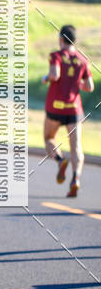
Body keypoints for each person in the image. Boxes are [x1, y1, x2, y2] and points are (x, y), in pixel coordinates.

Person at [43, 24, 94, 197]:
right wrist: (76, 84)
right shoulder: (82, 60)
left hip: (55, 107)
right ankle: (76, 178)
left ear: (61, 39)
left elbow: (55, 75)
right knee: (76, 147)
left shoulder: (56, 56)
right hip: (74, 109)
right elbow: (89, 86)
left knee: (49, 138)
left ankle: (60, 160)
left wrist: (46, 78)